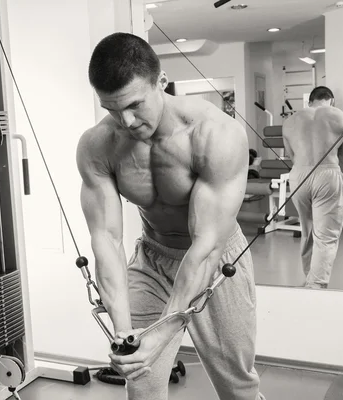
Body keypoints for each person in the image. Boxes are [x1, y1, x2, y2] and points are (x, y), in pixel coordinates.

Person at [76, 32, 264, 400]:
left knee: (237, 386)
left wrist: (163, 332)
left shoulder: (215, 134)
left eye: (134, 105)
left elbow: (207, 247)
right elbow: (106, 240)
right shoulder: (97, 145)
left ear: (161, 82)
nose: (125, 120)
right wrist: (123, 331)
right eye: (111, 108)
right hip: (152, 260)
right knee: (141, 378)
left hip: (217, 260)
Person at [282, 86, 343, 289]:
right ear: (331, 100)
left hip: (299, 174)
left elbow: (291, 156)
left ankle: (309, 277)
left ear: (310, 101)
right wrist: (336, 181)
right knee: (326, 235)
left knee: (308, 231)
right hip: (328, 172)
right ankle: (316, 285)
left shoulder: (289, 121)